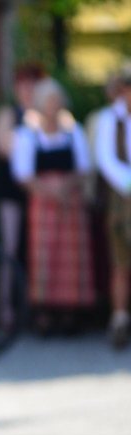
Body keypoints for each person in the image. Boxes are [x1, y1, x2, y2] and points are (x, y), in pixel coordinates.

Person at [11, 77, 95, 333]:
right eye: (48, 101)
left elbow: (84, 168)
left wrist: (65, 187)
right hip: (43, 205)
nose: (53, 106)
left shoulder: (73, 131)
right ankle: (45, 315)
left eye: (56, 101)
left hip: (71, 203)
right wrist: (49, 190)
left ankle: (72, 314)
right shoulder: (28, 135)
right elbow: (23, 174)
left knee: (72, 260)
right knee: (45, 259)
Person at [0, 63, 45, 326]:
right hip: (12, 192)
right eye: (23, 84)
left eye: (33, 84)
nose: (28, 89)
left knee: (39, 250)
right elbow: (4, 148)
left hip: (40, 193)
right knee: (10, 248)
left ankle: (38, 310)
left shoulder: (47, 114)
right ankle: (5, 311)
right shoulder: (8, 114)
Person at [94, 63, 131, 349]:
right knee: (121, 262)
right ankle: (119, 319)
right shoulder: (109, 120)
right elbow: (107, 161)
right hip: (121, 200)